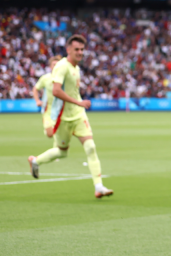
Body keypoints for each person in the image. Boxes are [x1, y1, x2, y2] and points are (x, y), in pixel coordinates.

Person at [27, 35, 113, 198]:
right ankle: (35, 161)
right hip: (62, 118)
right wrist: (78, 102)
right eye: (77, 50)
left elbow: (73, 91)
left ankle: (99, 186)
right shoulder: (62, 66)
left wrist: (78, 104)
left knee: (90, 147)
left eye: (82, 49)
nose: (80, 53)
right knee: (61, 152)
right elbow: (56, 91)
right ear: (68, 50)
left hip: (78, 116)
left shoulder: (76, 68)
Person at [31, 55, 62, 138]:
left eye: (57, 64)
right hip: (48, 110)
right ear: (50, 66)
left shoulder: (64, 78)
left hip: (61, 111)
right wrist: (37, 100)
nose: (55, 66)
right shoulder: (45, 78)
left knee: (60, 136)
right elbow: (35, 89)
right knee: (50, 134)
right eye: (53, 64)